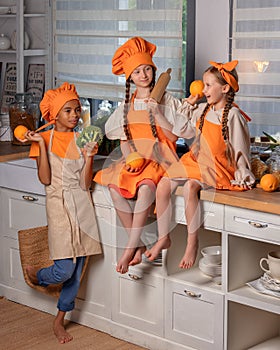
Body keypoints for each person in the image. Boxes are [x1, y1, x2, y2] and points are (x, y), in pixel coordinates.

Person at [145, 60, 255, 269]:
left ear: (224, 88)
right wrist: (174, 108)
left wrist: (242, 173)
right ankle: (163, 237)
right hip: (195, 161)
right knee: (162, 186)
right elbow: (179, 130)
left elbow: (241, 149)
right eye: (203, 84)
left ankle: (192, 241)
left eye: (208, 85)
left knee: (190, 187)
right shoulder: (202, 110)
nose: (203, 89)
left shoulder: (233, 116)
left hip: (217, 167)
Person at [17, 82, 102, 344]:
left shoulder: (82, 139)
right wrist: (40, 146)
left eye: (77, 110)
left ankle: (59, 321)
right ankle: (38, 276)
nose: (75, 115)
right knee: (65, 270)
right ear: (54, 115)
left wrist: (89, 157)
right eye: (68, 111)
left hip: (82, 204)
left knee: (76, 273)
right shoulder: (44, 138)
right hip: (58, 205)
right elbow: (45, 179)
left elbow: (85, 184)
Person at [94, 36, 182, 274]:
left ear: (153, 71)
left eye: (147, 70)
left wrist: (158, 111)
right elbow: (125, 141)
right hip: (136, 160)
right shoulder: (127, 106)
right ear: (129, 78)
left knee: (145, 190)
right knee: (114, 187)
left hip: (161, 159)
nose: (143, 75)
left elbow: (173, 138)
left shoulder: (167, 100)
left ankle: (130, 246)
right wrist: (129, 160)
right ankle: (140, 243)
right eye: (137, 72)